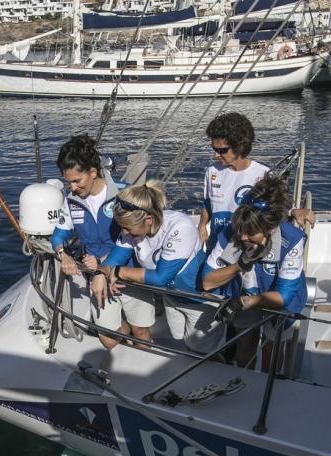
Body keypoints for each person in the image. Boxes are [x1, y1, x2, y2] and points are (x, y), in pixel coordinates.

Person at [91, 181, 224, 352]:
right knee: (182, 343)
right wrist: (100, 273)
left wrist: (117, 272)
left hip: (199, 300)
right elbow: (115, 258)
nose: (124, 233)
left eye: (128, 228)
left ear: (148, 219)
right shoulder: (134, 229)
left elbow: (162, 277)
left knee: (202, 351)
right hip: (172, 298)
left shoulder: (180, 227)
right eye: (121, 227)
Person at [202, 173, 307, 369]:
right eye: (241, 230)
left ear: (272, 228)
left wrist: (246, 301)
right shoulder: (232, 233)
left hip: (274, 302)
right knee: (245, 350)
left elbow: (283, 296)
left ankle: (268, 389)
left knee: (271, 351)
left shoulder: (292, 239)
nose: (242, 237)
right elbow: (207, 281)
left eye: (251, 233)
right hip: (243, 297)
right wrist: (240, 264)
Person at [198, 112, 314, 250]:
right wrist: (202, 225)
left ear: (239, 147)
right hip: (217, 243)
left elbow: (277, 208)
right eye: (214, 149)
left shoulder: (263, 175)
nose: (215, 155)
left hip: (245, 246)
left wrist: (294, 211)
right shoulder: (212, 171)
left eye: (222, 150)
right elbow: (208, 203)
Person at [50, 133, 125, 276]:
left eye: (77, 181)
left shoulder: (123, 195)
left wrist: (103, 263)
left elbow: (136, 242)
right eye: (68, 182)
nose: (72, 188)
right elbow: (57, 237)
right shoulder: (71, 201)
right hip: (92, 273)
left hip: (122, 275)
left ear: (93, 172)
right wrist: (63, 254)